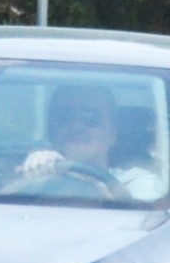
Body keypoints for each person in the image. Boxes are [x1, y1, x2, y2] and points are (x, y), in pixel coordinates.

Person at [18, 84, 162, 199]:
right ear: (51, 131)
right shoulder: (36, 181)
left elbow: (143, 222)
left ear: (112, 134)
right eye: (64, 116)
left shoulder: (138, 182)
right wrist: (33, 174)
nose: (76, 125)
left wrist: (90, 183)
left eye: (91, 117)